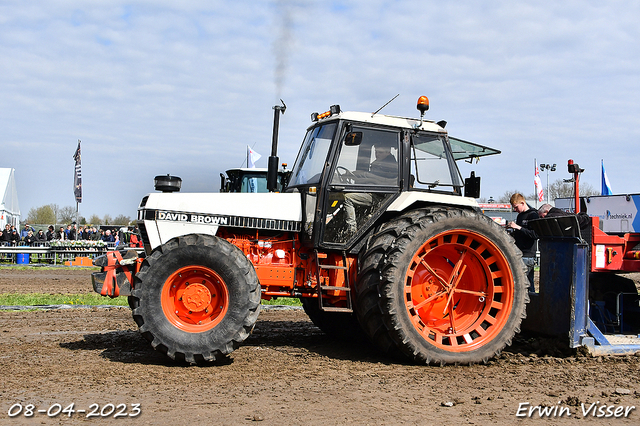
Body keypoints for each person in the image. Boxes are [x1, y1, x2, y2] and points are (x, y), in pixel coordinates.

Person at [343, 143, 398, 234]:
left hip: (380, 197)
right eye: (376, 152)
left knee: (347, 197)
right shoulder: (380, 164)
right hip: (374, 193)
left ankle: (351, 230)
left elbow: (375, 179)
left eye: (380, 152)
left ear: (388, 152)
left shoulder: (390, 167)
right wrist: (354, 175)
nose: (377, 154)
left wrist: (357, 177)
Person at [506, 193, 539, 292]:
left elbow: (535, 235)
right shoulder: (520, 216)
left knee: (528, 283)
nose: (515, 210)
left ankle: (532, 304)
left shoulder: (533, 215)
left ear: (522, 203)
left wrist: (518, 227)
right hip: (520, 253)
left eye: (516, 207)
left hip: (528, 254)